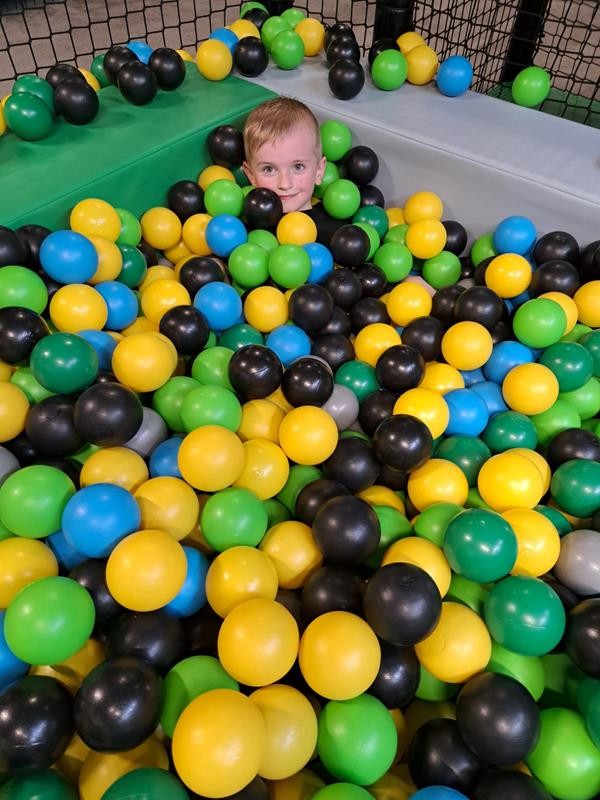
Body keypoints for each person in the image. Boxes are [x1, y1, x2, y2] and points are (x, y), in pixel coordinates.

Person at [242, 96, 348, 245]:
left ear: (319, 170)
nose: (285, 184)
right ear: (251, 175)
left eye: (298, 167)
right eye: (269, 169)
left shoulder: (336, 236)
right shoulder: (243, 232)